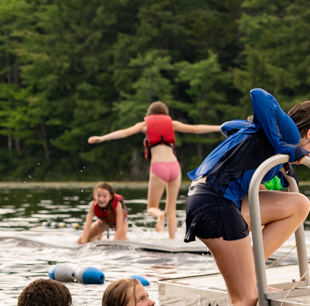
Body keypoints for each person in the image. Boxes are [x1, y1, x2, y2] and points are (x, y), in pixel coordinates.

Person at [186, 89, 310, 306]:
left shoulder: (272, 139)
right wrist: (288, 148)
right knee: (245, 299)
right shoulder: (285, 134)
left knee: (299, 204)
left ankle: (251, 271)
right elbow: (259, 95)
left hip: (209, 202)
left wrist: (279, 154)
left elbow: (227, 127)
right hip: (215, 205)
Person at [88, 102, 222, 238]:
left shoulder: (145, 125)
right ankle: (172, 240)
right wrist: (221, 127)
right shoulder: (172, 123)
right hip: (175, 167)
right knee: (171, 209)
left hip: (159, 168)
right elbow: (196, 129)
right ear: (165, 113)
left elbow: (124, 133)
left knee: (152, 207)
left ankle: (159, 215)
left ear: (150, 114)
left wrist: (102, 138)